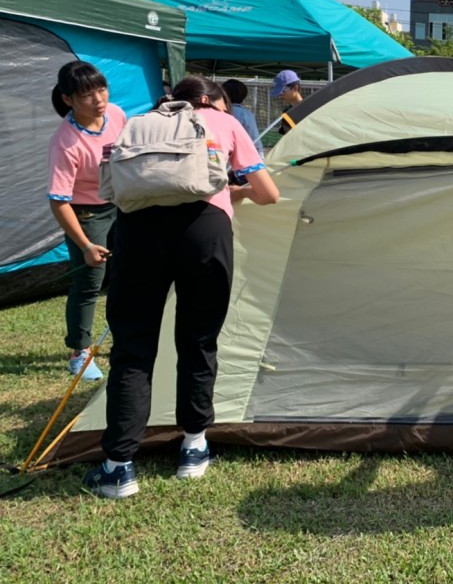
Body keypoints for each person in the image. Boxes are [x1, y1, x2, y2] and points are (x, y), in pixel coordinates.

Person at [84, 76, 280, 499]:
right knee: (198, 339)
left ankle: (118, 467)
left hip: (136, 232)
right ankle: (194, 447)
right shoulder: (222, 122)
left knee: (133, 347)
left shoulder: (140, 121)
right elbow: (269, 194)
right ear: (209, 100)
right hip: (204, 231)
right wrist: (233, 191)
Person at [47, 61, 127, 381]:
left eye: (101, 89)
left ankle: (126, 336)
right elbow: (58, 201)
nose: (99, 99)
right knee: (89, 283)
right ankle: (79, 353)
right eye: (87, 95)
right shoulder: (65, 142)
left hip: (121, 204)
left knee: (127, 274)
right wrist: (85, 245)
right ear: (68, 100)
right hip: (86, 214)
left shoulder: (118, 115)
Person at [222, 78, 264, 158]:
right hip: (240, 157)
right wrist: (260, 155)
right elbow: (254, 137)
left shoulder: (219, 111)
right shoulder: (246, 114)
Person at [271, 69, 303, 135]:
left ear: (295, 88)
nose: (280, 95)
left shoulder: (311, 109)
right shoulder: (286, 113)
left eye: (282, 91)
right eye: (278, 93)